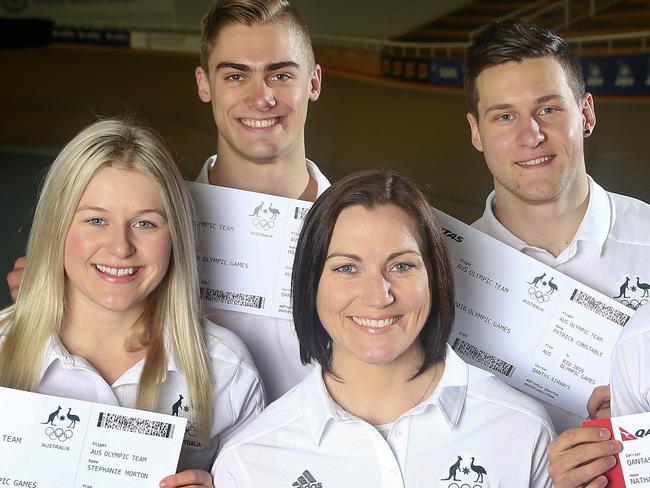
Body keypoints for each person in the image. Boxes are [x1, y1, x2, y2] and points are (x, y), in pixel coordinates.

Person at [7, 0, 329, 403]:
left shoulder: (361, 237)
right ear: (204, 83)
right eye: (235, 75)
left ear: (313, 83)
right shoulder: (141, 224)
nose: (261, 98)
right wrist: (54, 291)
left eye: (280, 74)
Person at [212, 169, 555, 487]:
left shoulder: (523, 430)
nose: (378, 297)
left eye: (402, 266)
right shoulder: (248, 461)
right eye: (347, 268)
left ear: (435, 278)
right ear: (310, 283)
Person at [0, 118, 264, 488]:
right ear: (55, 227)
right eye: (95, 220)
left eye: (145, 224)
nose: (121, 247)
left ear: (176, 235)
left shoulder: (227, 372)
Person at [464, 19, 650, 434]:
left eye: (548, 110)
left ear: (585, 114)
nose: (531, 136)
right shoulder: (444, 278)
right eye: (505, 116)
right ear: (476, 132)